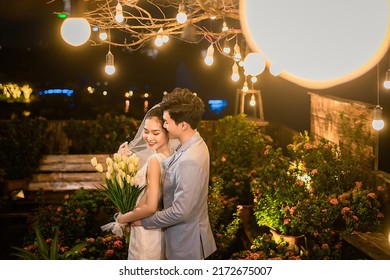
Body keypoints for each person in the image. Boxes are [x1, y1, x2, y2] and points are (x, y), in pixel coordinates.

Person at [133, 88, 217, 260]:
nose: (164, 126)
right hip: (189, 237)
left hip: (185, 244)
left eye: (166, 122)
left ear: (183, 125)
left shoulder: (190, 159)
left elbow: (180, 212)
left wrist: (144, 221)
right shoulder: (195, 143)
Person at [116, 105, 172, 260]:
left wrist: (122, 218)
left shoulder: (155, 160)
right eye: (146, 131)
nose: (149, 137)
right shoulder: (169, 158)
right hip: (155, 231)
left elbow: (150, 207)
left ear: (168, 133)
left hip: (145, 232)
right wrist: (125, 164)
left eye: (156, 132)